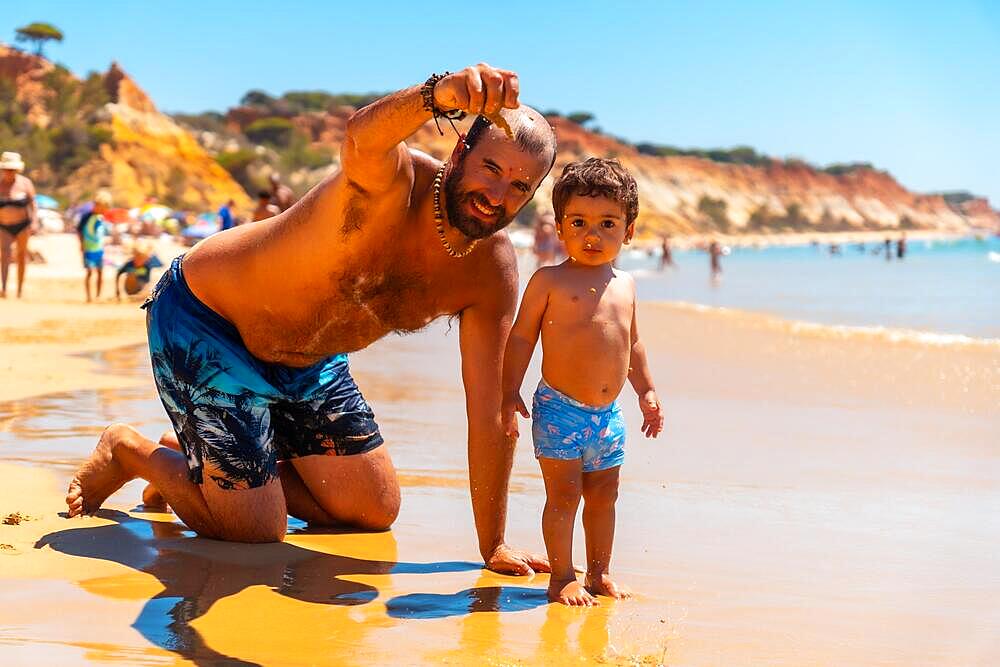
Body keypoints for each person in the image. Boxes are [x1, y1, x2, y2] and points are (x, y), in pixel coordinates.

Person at [67, 64, 559, 577]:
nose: (497, 196)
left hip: (311, 362)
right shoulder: (390, 182)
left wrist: (494, 544)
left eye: (520, 186)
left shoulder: (490, 271)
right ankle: (134, 452)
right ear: (459, 153)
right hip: (210, 323)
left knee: (373, 509)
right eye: (491, 169)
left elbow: (490, 412)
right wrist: (438, 94)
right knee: (256, 531)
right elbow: (362, 135)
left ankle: (208, 468)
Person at [501, 158, 663, 606]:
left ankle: (600, 573)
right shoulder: (549, 280)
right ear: (560, 227)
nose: (593, 235)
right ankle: (561, 577)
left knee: (604, 496)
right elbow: (520, 338)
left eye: (608, 223)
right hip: (559, 410)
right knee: (564, 496)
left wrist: (646, 391)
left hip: (608, 417)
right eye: (580, 222)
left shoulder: (626, 284)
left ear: (628, 230)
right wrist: (508, 392)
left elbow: (633, 343)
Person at [0, 151, 37, 299]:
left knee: (22, 256)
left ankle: (20, 289)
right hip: (3, 225)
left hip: (23, 225)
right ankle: (3, 287)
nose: (10, 172)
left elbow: (33, 204)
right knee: (5, 254)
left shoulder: (25, 183)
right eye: (7, 169)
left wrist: (34, 222)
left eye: (12, 169)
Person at [78, 190, 112, 303]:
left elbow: (102, 232)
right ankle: (88, 296)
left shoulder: (101, 217)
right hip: (88, 249)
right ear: (96, 205)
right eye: (102, 208)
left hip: (99, 249)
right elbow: (79, 230)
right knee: (89, 272)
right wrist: (81, 244)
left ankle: (98, 296)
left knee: (100, 271)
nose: (103, 210)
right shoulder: (86, 216)